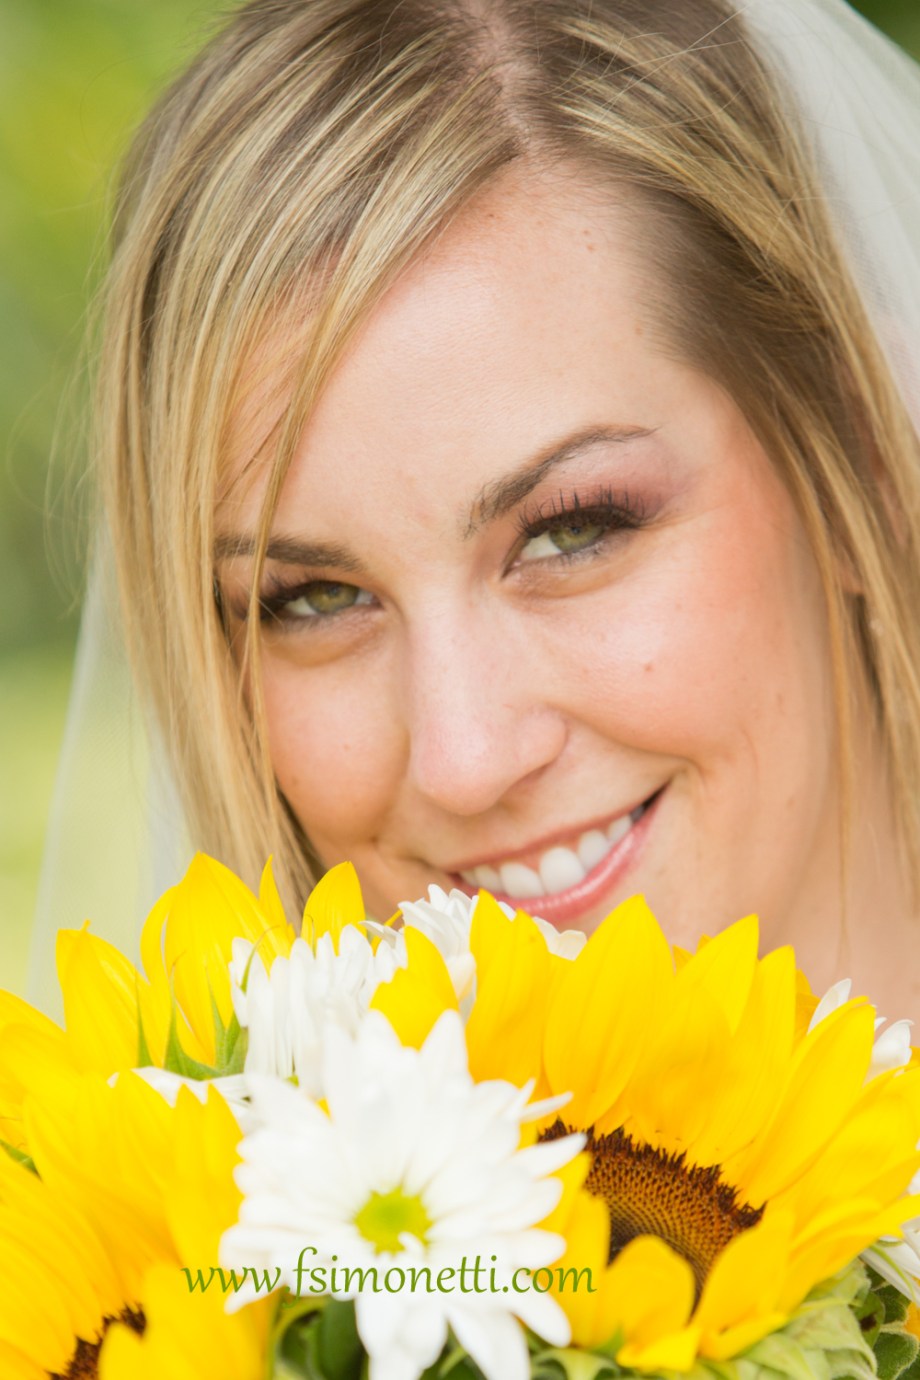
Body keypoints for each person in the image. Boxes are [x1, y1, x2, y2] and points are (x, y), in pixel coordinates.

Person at [31, 0, 920, 1021]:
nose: (463, 760)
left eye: (573, 529)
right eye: (315, 598)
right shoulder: (199, 1178)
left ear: (866, 457)